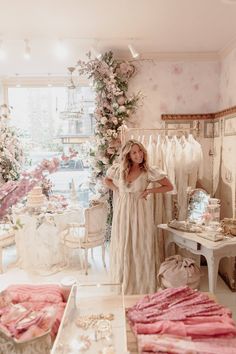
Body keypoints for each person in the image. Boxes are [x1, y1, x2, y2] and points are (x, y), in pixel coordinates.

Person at [104, 139, 173, 294]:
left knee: (140, 244)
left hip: (140, 212)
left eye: (140, 151)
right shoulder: (119, 170)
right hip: (123, 212)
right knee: (124, 244)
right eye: (134, 152)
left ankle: (141, 284)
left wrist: (149, 191)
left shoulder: (148, 171)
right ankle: (122, 280)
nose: (138, 155)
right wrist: (117, 190)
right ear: (128, 155)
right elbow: (106, 180)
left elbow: (169, 186)